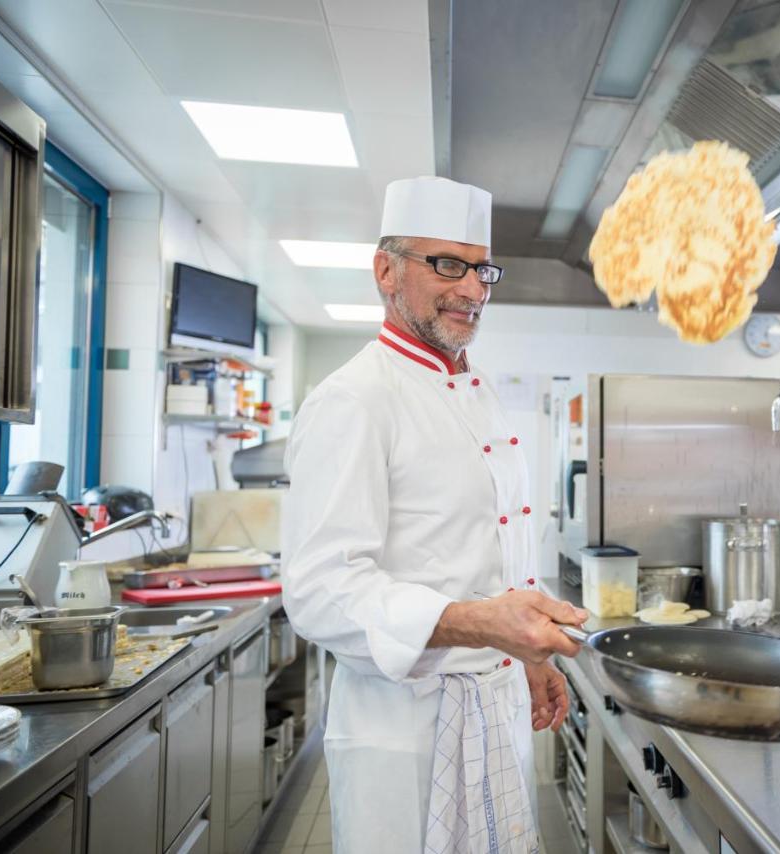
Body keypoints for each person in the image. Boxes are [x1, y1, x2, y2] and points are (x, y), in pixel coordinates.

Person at [281, 176, 587, 853]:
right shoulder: (354, 400)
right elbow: (319, 591)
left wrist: (522, 656)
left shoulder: (474, 392)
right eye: (446, 264)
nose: (473, 289)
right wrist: (483, 624)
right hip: (405, 731)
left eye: (482, 269)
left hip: (493, 708)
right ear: (386, 270)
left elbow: (489, 554)